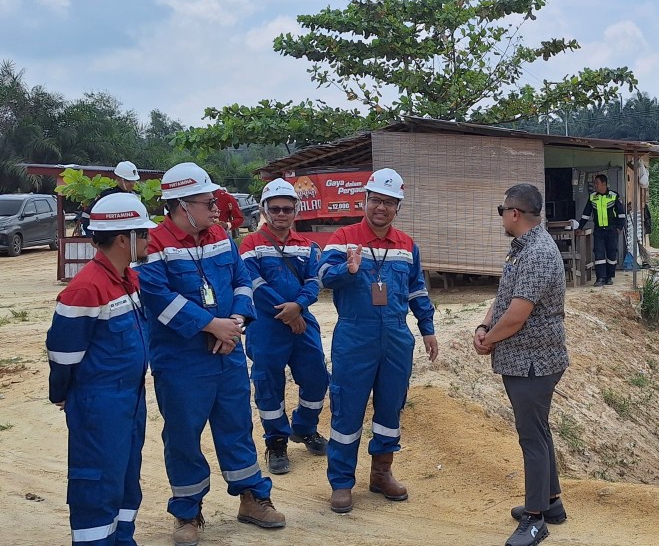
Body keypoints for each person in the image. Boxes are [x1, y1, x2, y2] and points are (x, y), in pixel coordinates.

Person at [137, 162, 285, 546]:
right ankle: (188, 512)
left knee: (237, 426)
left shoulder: (219, 234)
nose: (217, 208)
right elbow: (157, 297)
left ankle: (252, 498)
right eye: (208, 202)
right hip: (182, 360)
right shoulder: (154, 245)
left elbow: (240, 279)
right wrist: (210, 325)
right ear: (181, 206)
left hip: (228, 351)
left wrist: (233, 323)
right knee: (184, 435)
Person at [317, 167, 439, 514]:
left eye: (389, 202)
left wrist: (427, 327)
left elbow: (417, 289)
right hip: (355, 336)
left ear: (397, 207)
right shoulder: (344, 237)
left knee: (390, 408)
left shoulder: (406, 245)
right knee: (347, 410)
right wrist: (348, 269)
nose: (381, 208)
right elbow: (323, 275)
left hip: (397, 338)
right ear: (365, 201)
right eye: (376, 200)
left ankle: (381, 473)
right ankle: (341, 483)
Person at [46, 193, 156, 546]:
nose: (150, 240)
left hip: (129, 399)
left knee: (125, 480)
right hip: (100, 404)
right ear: (124, 239)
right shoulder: (85, 289)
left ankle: (123, 540)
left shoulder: (128, 279)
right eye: (144, 233)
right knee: (97, 486)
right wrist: (63, 394)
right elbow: (63, 354)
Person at [475, 184, 569, 546]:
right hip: (524, 358)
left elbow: (516, 315)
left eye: (502, 210)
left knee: (531, 437)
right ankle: (550, 502)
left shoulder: (538, 253)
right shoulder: (522, 250)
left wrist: (491, 338)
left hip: (533, 361)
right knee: (539, 431)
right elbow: (503, 300)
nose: (501, 216)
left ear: (514, 213)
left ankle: (534, 520)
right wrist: (484, 327)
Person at [239, 178, 329, 475]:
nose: (281, 214)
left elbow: (314, 281)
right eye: (275, 209)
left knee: (317, 377)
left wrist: (299, 306)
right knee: (268, 384)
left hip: (302, 319)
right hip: (266, 324)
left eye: (287, 209)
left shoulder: (308, 246)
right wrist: (289, 312)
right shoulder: (250, 244)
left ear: (296, 211)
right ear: (264, 210)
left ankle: (304, 427)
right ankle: (276, 441)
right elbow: (254, 283)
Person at [575, 173, 624, 286]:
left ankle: (609, 277)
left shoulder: (614, 195)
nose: (595, 186)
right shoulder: (593, 197)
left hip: (612, 230)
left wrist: (619, 227)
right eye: (594, 184)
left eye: (597, 183)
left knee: (612, 254)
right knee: (599, 253)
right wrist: (580, 227)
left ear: (604, 184)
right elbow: (586, 214)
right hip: (599, 231)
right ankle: (600, 278)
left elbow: (621, 213)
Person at [81, 161, 140, 237]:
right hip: (110, 237)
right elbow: (87, 215)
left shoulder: (134, 196)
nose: (132, 184)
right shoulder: (108, 195)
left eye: (133, 181)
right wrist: (92, 236)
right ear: (118, 179)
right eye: (128, 180)